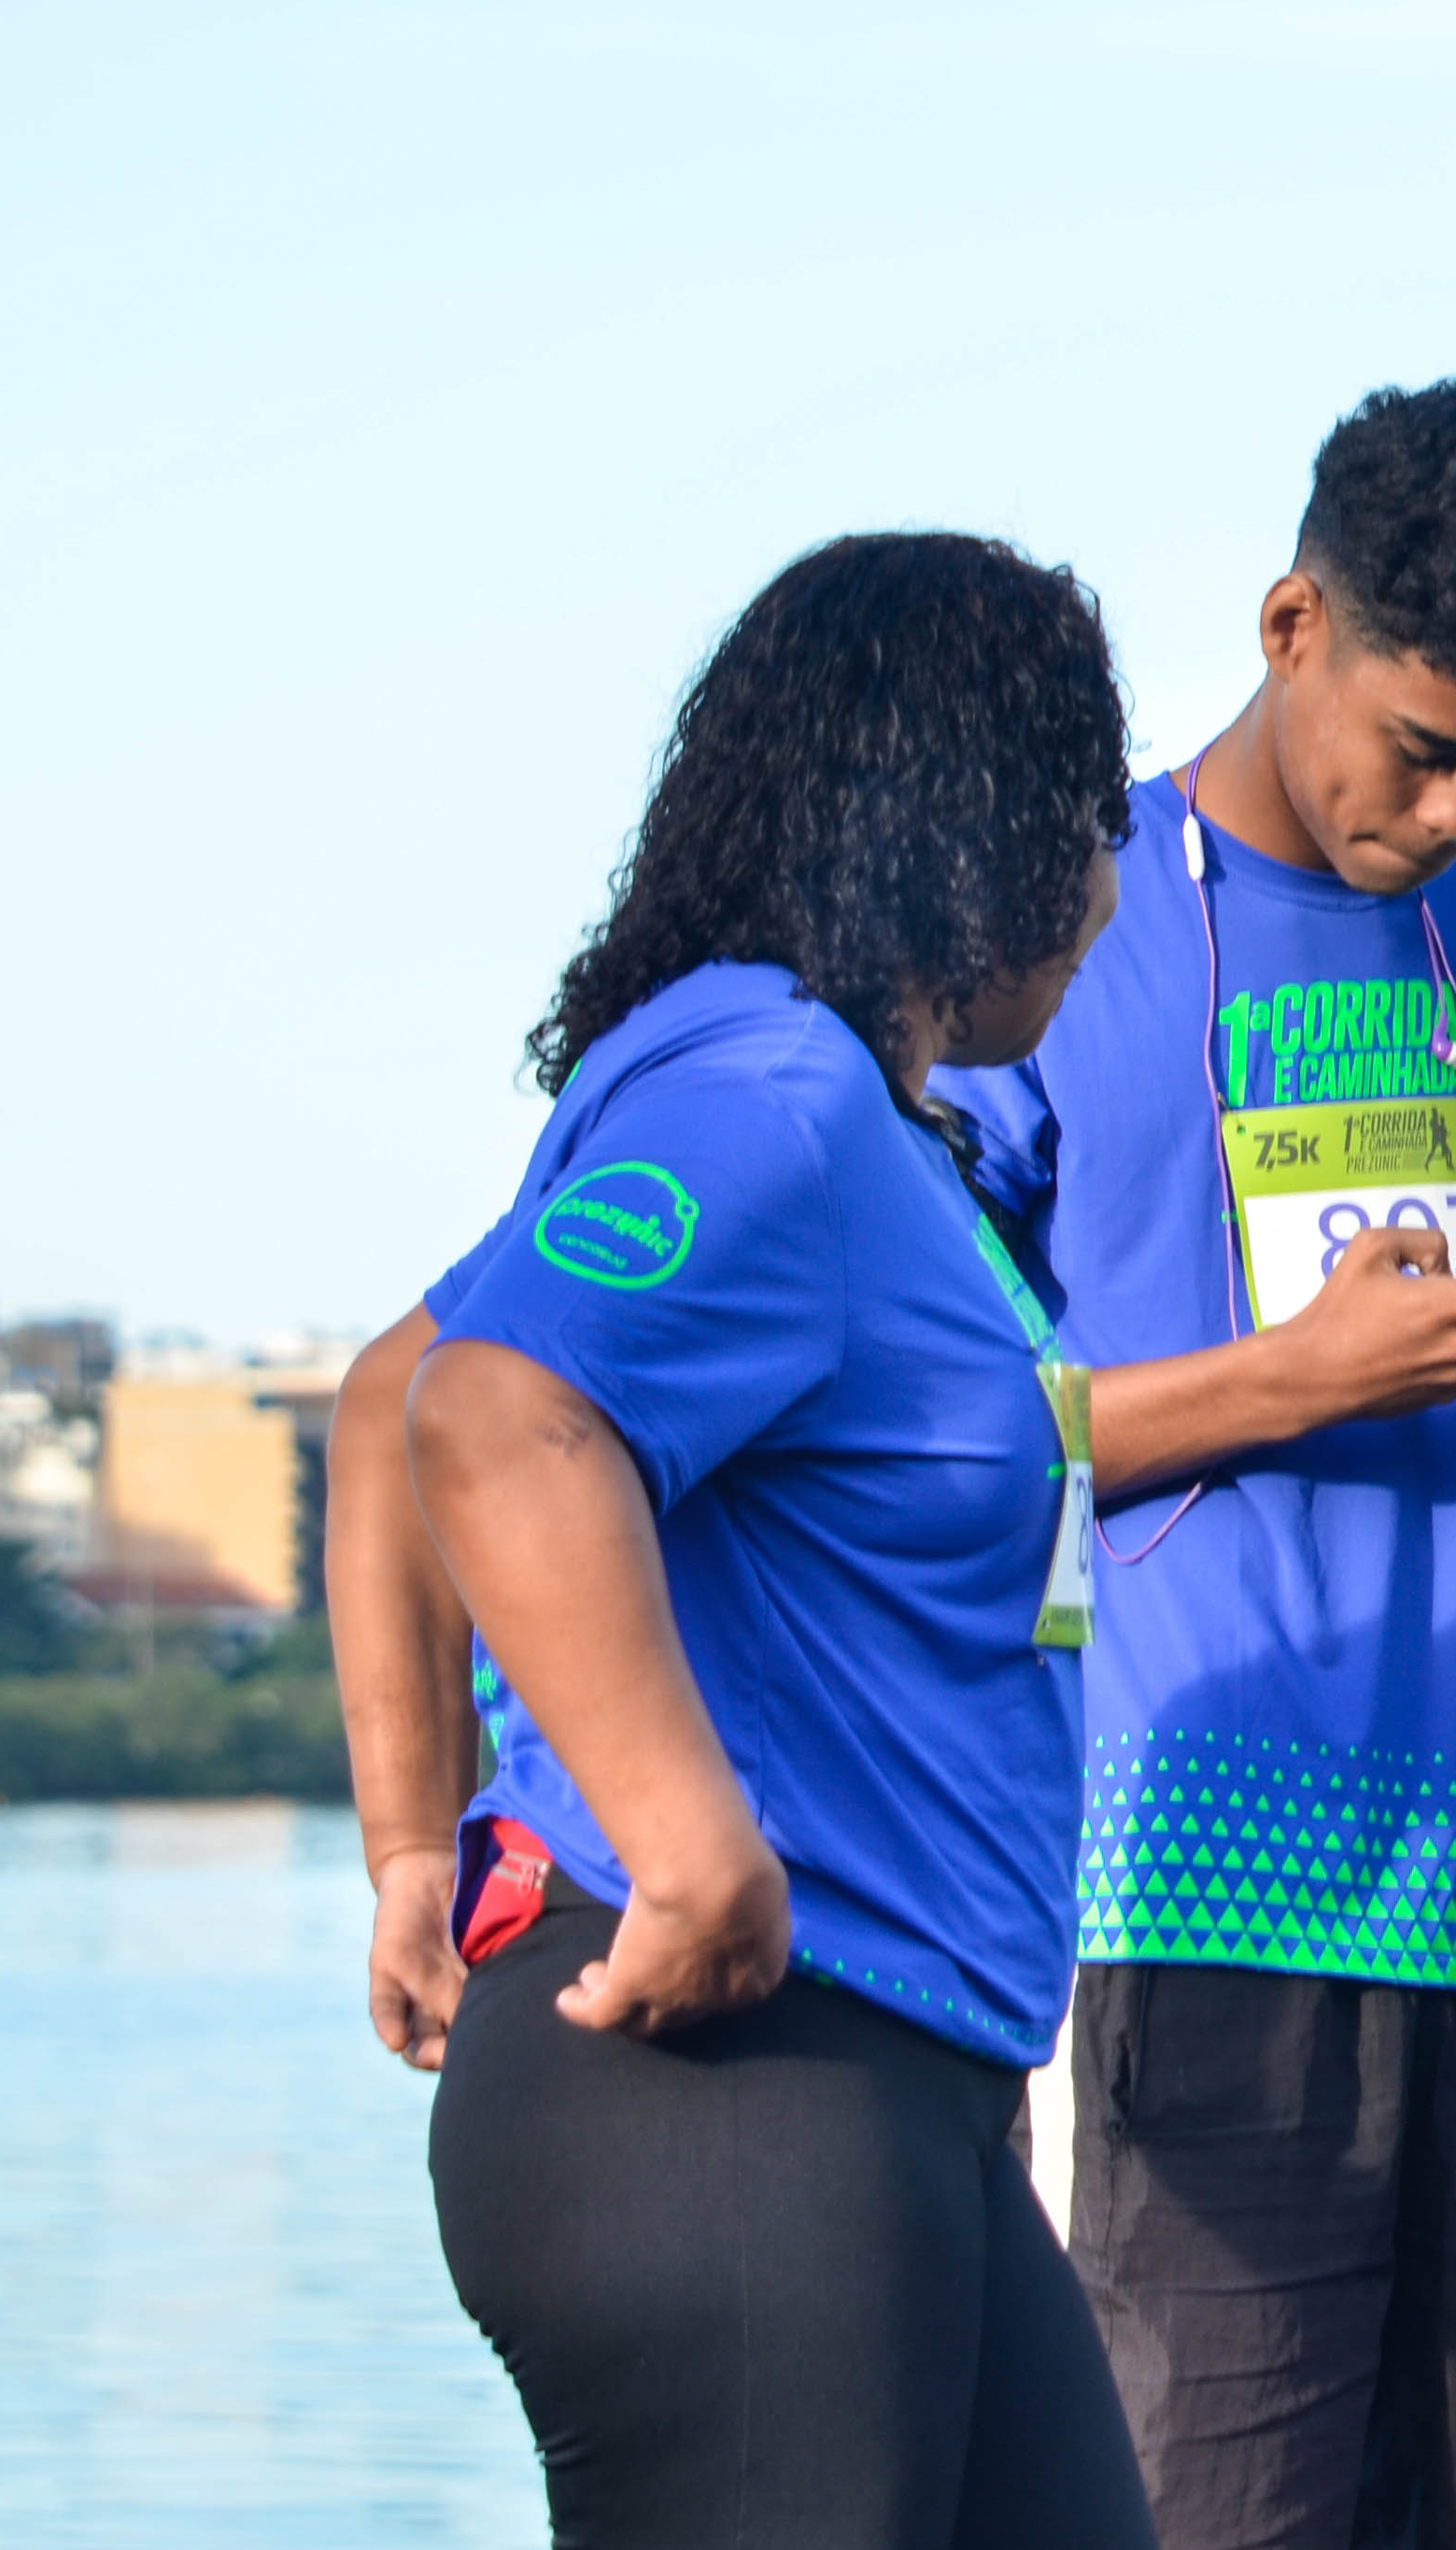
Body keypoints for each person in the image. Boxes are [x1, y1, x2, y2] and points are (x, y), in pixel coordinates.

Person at [333, 530, 1155, 2545]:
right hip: (725, 2071)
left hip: (890, 2090)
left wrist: (422, 1851)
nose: (1114, 877)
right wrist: (686, 1841)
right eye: (1090, 813)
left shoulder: (860, 1130)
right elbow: (488, 1415)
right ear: (979, 830)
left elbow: (380, 1396)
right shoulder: (772, 1093)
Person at [926, 382, 1456, 2550]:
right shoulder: (1066, 931)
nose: (1455, 809)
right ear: (1287, 624)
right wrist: (1300, 1373)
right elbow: (962, 1444)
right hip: (1191, 1887)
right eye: (1426, 746)